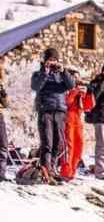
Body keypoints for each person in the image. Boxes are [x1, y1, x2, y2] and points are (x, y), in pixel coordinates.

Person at [31, 48, 75, 181]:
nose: (52, 62)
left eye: (54, 60)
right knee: (47, 142)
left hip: (60, 111)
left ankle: (53, 169)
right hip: (46, 111)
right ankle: (45, 170)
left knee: (58, 143)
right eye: (50, 59)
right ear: (45, 61)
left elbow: (71, 85)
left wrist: (64, 71)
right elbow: (35, 87)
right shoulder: (38, 74)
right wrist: (45, 72)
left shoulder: (61, 75)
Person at [60, 68, 94, 181]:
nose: (76, 79)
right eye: (74, 76)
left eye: (77, 76)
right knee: (69, 146)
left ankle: (72, 172)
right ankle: (65, 172)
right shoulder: (64, 87)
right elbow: (66, 103)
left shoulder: (80, 89)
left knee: (79, 145)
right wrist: (74, 91)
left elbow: (89, 106)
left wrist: (89, 93)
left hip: (78, 119)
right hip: (68, 118)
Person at [0, 57, 10, 182]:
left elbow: (6, 104)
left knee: (3, 145)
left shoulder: (1, 83)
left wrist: (3, 94)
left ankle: (1, 174)